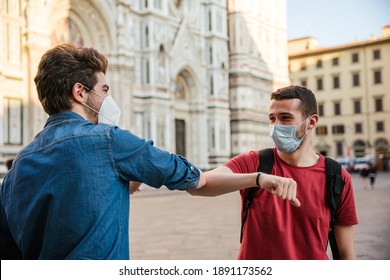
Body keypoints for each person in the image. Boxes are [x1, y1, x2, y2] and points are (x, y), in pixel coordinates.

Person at [0, 44, 208, 260]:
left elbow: (8, 252)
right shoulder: (109, 140)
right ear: (80, 92)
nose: (108, 99)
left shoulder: (19, 166)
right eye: (104, 90)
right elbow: (185, 174)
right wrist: (244, 176)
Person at [189, 85, 358, 260]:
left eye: (285, 118)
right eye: (272, 118)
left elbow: (346, 253)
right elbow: (199, 186)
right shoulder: (256, 162)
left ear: (312, 122)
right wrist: (258, 179)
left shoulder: (336, 176)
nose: (276, 126)